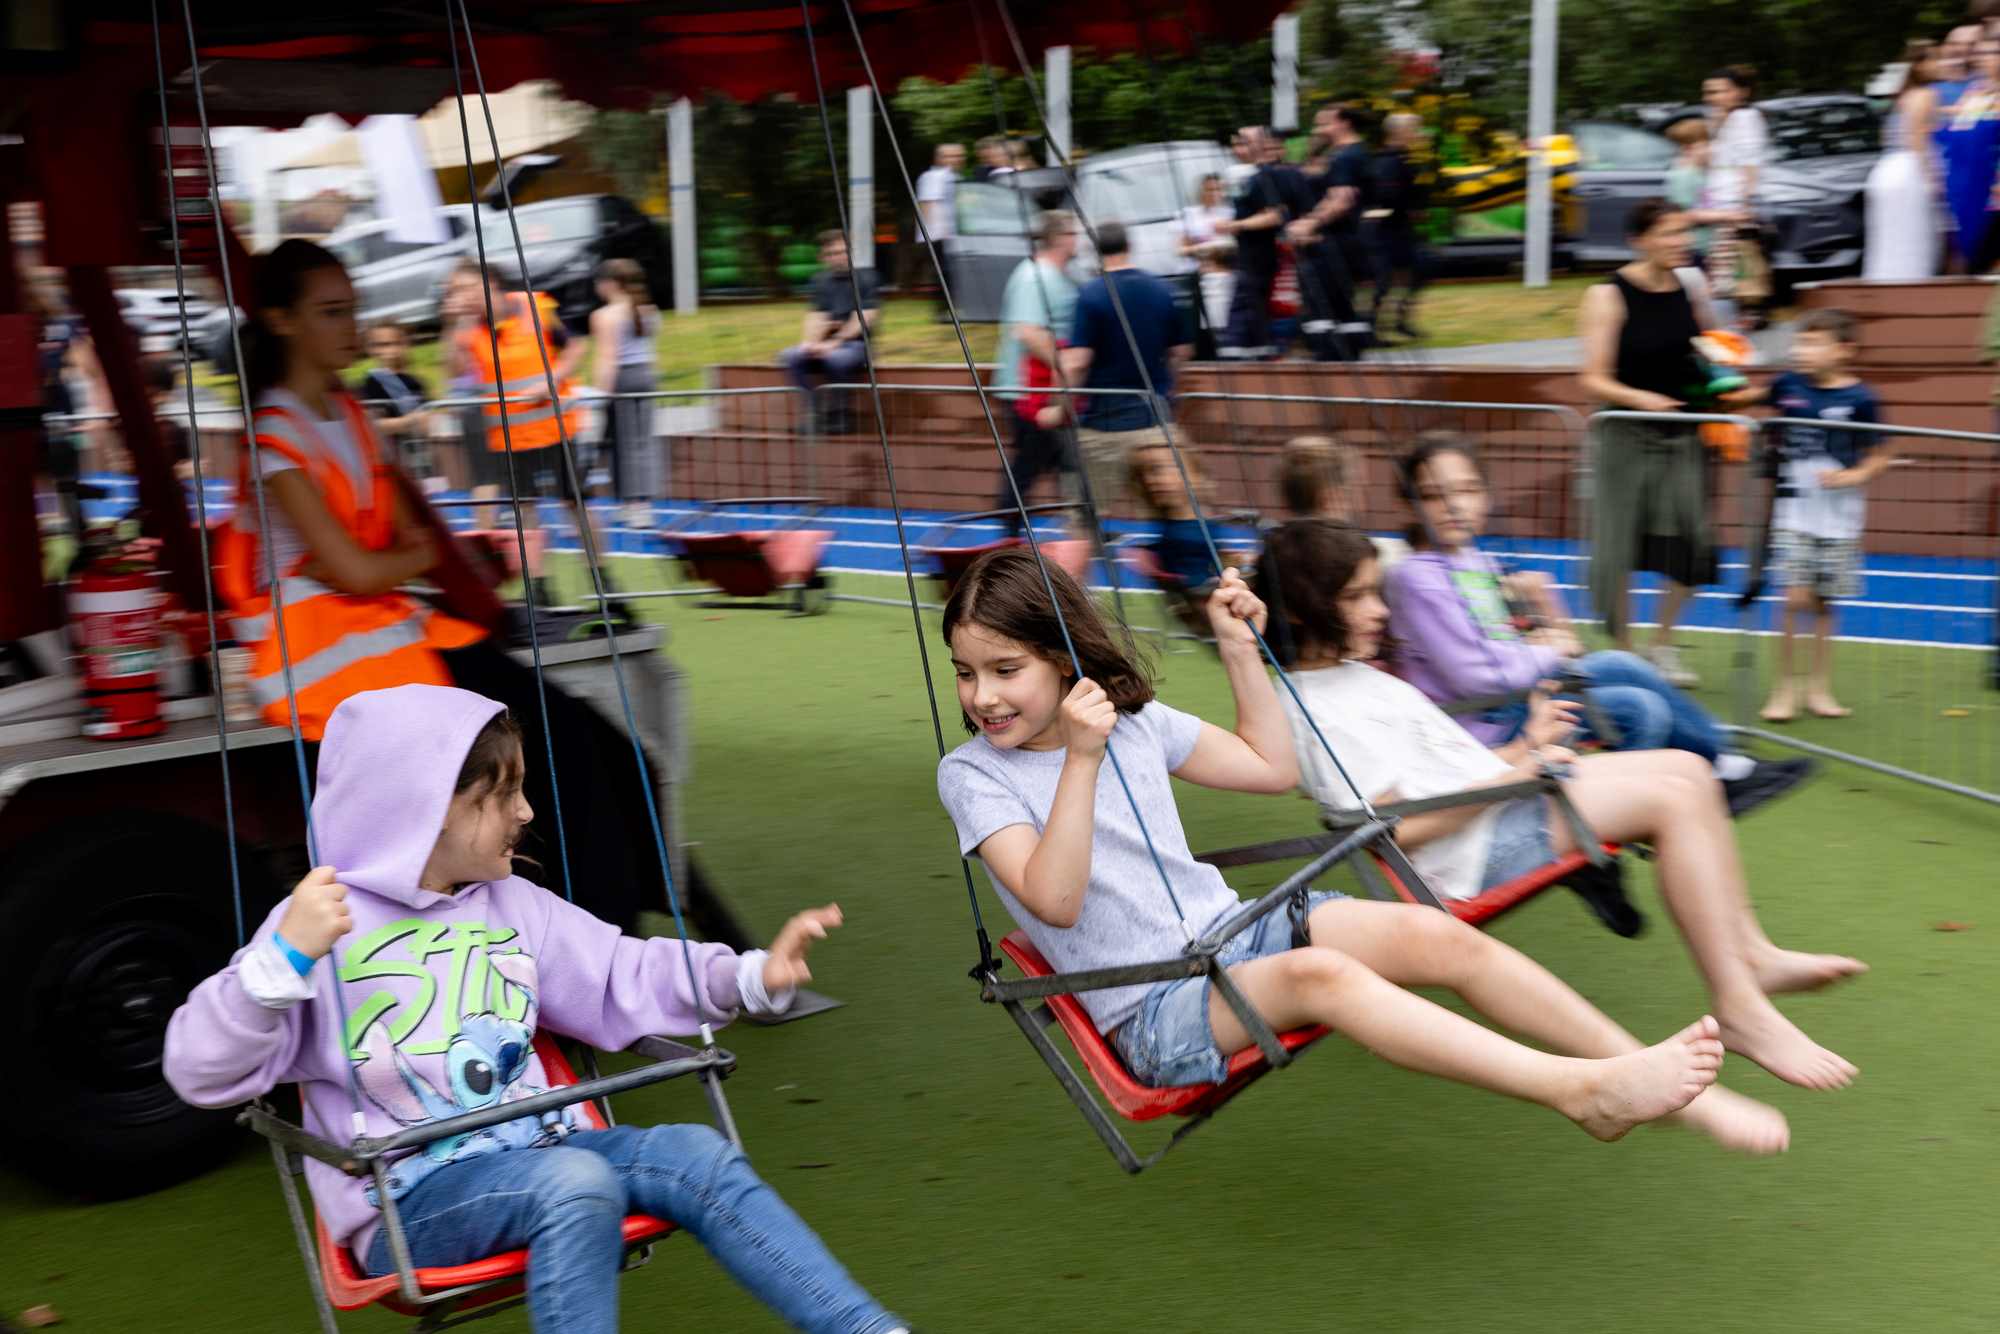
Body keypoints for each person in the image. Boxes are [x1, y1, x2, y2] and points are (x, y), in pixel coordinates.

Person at [935, 548, 1759, 1148]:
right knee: (1321, 975)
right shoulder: (974, 777)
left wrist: (1236, 648)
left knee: (1436, 934)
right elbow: (1056, 900)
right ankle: (1581, 1092)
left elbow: (1269, 766)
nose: (983, 697)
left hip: (1234, 934)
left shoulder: (1134, 723)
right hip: (1150, 1010)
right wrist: (1080, 760)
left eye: (1005, 669)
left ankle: (1662, 1087)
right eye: (967, 674)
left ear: (1064, 658)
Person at [163, 686, 905, 1334]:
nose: (524, 810)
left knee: (695, 1154)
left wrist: (746, 976)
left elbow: (622, 972)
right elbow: (199, 1070)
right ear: (417, 810)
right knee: (576, 1185)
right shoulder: (317, 926)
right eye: (496, 796)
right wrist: (278, 966)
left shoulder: (514, 906)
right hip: (411, 1204)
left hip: (544, 1153)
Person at [1256, 517, 1861, 1101]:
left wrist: (1527, 744)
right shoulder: (1313, 709)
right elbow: (1395, 831)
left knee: (1690, 770)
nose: (1379, 610)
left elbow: (1449, 770)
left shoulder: (1353, 676)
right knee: (1669, 797)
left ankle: (1753, 955)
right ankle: (1739, 1006)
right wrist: (1520, 773)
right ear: (1301, 607)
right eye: (1356, 596)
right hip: (1470, 857)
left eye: (1374, 593)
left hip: (1498, 807)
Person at [216, 241, 666, 930]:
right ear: (280, 321)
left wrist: (399, 558)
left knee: (589, 740)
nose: (353, 329)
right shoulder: (273, 436)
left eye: (353, 310)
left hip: (389, 638)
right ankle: (602, 940)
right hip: (328, 666)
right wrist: (403, 557)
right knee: (547, 753)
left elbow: (390, 556)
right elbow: (366, 565)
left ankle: (621, 924)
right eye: (332, 313)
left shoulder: (349, 415)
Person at [1384, 435, 1812, 816]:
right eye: (1435, 495)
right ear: (1411, 504)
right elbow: (1480, 678)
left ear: (1486, 496)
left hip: (1516, 697)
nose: (1456, 505)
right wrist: (1549, 648)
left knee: (1623, 663)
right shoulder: (1418, 577)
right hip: (1479, 723)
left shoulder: (1475, 562)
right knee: (1641, 710)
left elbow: (1523, 642)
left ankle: (1727, 765)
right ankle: (1622, 817)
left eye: (1468, 490)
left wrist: (1545, 619)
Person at [1577, 199, 1723, 685]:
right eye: (1668, 233)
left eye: (1683, 232)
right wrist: (1640, 398)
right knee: (1618, 543)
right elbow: (1593, 379)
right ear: (1639, 240)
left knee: (1695, 542)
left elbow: (1705, 345)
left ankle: (1661, 644)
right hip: (1624, 432)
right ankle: (1623, 653)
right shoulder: (1607, 295)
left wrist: (1723, 363)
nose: (1680, 242)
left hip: (1682, 432)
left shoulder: (1690, 285)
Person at [1728, 310, 1891, 722]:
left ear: (1844, 350)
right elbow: (1742, 397)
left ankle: (1819, 686)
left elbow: (1880, 455)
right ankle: (1786, 686)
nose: (1802, 351)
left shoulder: (1862, 399)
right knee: (1794, 597)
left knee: (1822, 602)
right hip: (1792, 513)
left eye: (1814, 343)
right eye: (1801, 342)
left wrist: (1853, 475)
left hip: (1839, 519)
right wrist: (1721, 375)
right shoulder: (1787, 384)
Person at [452, 260, 600, 604]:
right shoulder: (468, 329)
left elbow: (576, 347)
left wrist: (551, 380)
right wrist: (457, 322)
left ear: (489, 284)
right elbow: (458, 371)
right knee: (524, 511)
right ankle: (539, 587)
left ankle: (600, 579)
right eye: (454, 291)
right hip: (511, 438)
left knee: (577, 505)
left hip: (557, 429)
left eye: (463, 288)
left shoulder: (535, 308)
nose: (458, 296)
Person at [1060, 220, 1192, 521]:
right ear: (1129, 247)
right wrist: (1169, 389)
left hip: (1103, 426)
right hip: (1155, 420)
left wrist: (1059, 406)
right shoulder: (1163, 290)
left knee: (1085, 519)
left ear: (1095, 251)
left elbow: (1078, 361)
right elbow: (1181, 352)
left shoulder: (1090, 294)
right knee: (1172, 514)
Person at [990, 210, 1080, 534]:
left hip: (1041, 388)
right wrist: (1067, 365)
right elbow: (1027, 332)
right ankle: (1008, 523)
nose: (1077, 240)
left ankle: (1078, 525)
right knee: (1035, 461)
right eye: (1072, 233)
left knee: (1066, 461)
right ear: (1058, 238)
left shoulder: (1053, 275)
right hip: (1028, 390)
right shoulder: (1034, 276)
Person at [779, 230, 880, 435]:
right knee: (790, 356)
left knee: (837, 359)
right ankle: (814, 413)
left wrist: (833, 341)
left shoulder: (867, 278)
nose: (839, 257)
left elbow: (864, 318)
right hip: (827, 344)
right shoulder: (820, 281)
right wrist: (810, 343)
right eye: (833, 253)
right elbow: (816, 316)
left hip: (857, 345)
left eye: (843, 251)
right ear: (823, 257)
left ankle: (841, 415)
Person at [586, 258, 660, 523]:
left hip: (623, 379)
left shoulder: (605, 316)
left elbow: (607, 358)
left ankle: (633, 506)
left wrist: (599, 395)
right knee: (641, 442)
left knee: (624, 445)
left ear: (610, 284)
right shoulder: (648, 310)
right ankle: (642, 504)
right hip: (646, 375)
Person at [1866, 41, 1943, 280]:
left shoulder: (1902, 96)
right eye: (1934, 59)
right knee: (1915, 239)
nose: (1938, 64)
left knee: (1889, 241)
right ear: (1919, 65)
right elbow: (1918, 136)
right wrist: (1931, 177)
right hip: (1909, 170)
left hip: (1886, 169)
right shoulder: (1927, 94)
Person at [1702, 65, 1771, 329]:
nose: (1712, 97)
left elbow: (1750, 163)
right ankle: (1734, 335)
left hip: (1733, 209)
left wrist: (1745, 205)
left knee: (1728, 280)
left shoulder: (1745, 118)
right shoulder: (1725, 119)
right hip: (1720, 206)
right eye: (1708, 92)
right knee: (1725, 277)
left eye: (1719, 91)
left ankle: (1734, 339)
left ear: (1741, 92)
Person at [1277, 434, 1410, 570]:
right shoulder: (1368, 563)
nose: (1364, 497)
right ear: (1334, 498)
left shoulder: (1275, 555)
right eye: (1359, 487)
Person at [1362, 112, 1430, 342]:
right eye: (1414, 129)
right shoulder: (1387, 161)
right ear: (1399, 132)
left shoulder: (1404, 159)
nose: (1418, 134)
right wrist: (1408, 209)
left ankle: (1399, 320)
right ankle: (1370, 327)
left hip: (1400, 229)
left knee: (1422, 268)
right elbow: (1385, 196)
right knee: (1383, 280)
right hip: (1385, 230)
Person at [357, 323, 432, 478]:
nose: (388, 351)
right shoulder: (371, 384)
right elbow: (370, 424)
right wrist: (407, 423)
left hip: (423, 455)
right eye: (381, 345)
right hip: (393, 460)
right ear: (371, 349)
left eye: (394, 343)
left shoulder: (415, 382)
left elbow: (429, 414)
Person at [915, 142, 963, 305]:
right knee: (944, 272)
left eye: (959, 155)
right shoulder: (933, 177)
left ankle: (950, 304)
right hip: (938, 234)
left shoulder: (954, 176)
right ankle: (945, 307)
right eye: (951, 156)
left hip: (950, 234)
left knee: (950, 272)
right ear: (939, 158)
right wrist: (931, 234)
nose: (956, 159)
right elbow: (927, 204)